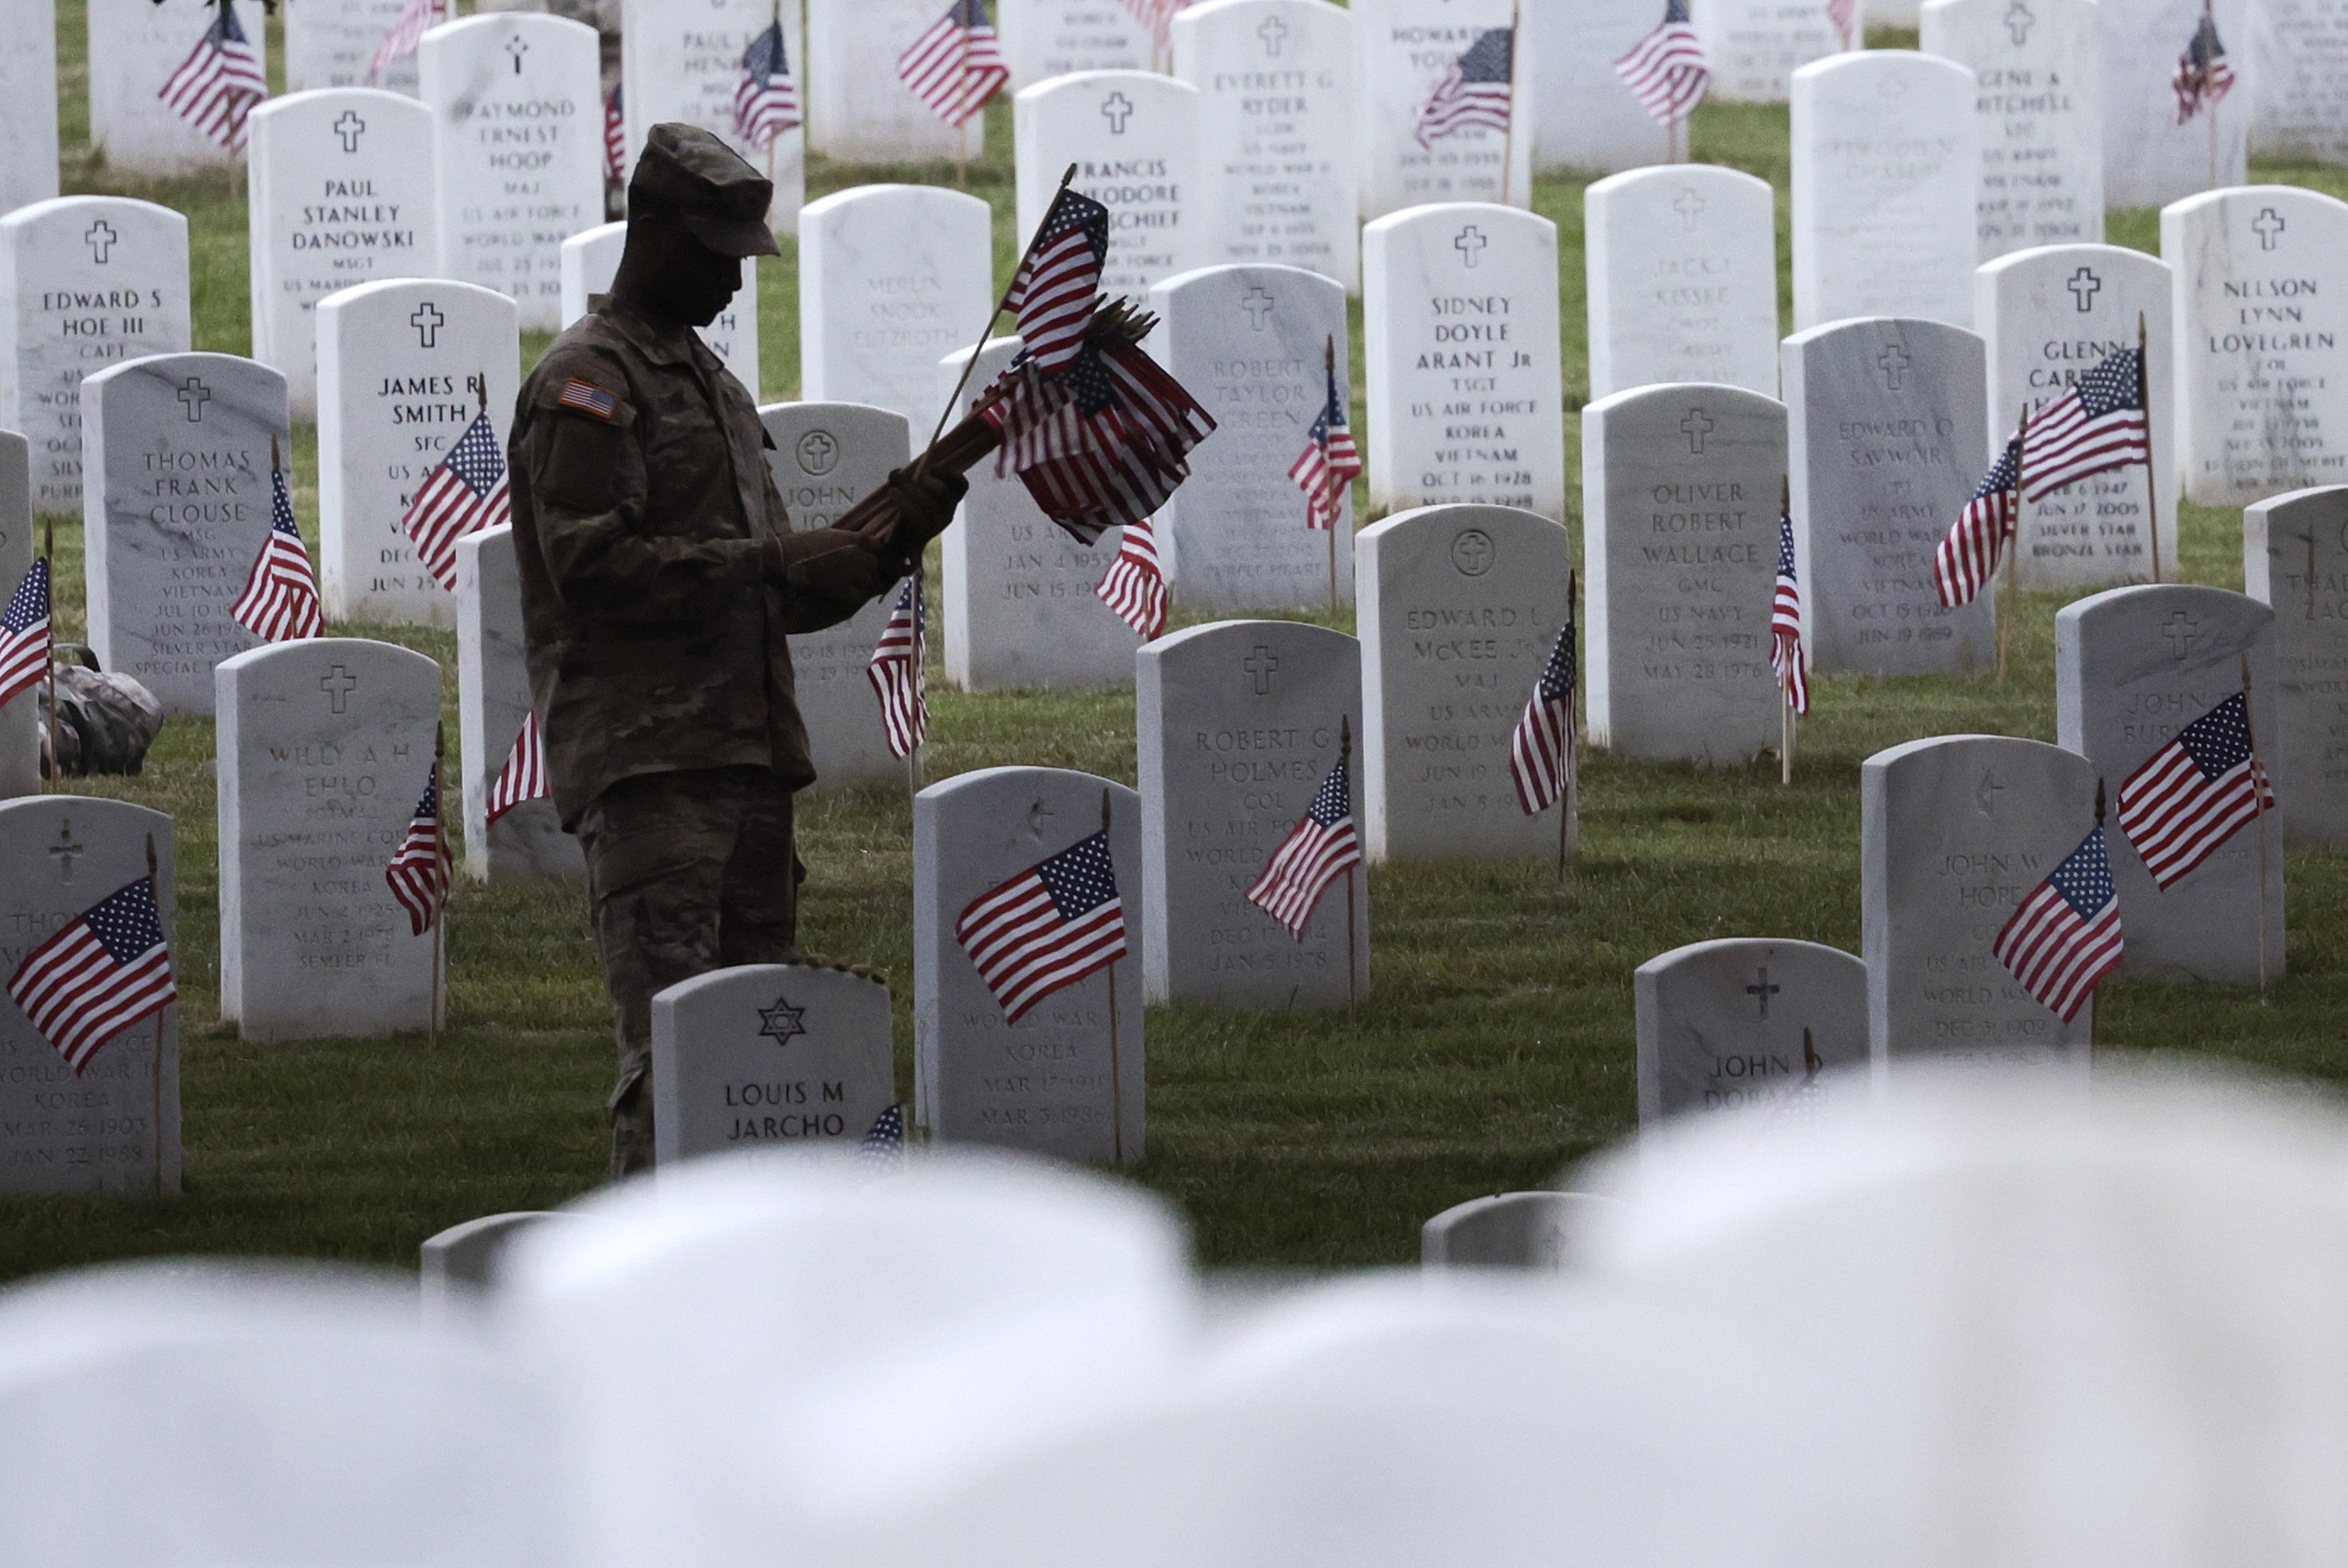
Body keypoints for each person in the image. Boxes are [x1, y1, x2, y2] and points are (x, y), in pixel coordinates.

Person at [507, 123, 964, 1176]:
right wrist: (764, 563)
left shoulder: (714, 387)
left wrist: (902, 523)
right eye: (718, 253)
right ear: (654, 232)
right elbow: (594, 572)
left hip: (751, 759)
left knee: (769, 1061)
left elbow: (780, 591)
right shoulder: (590, 382)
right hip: (652, 764)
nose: (733, 280)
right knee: (676, 1057)